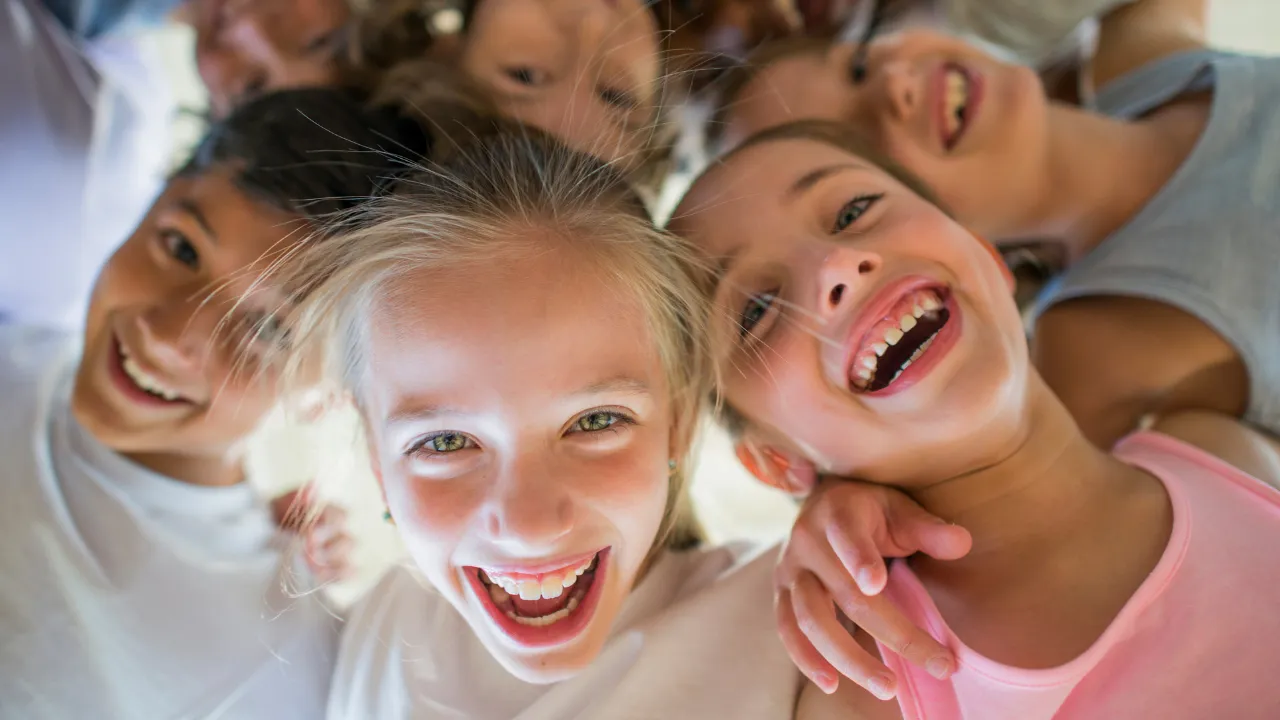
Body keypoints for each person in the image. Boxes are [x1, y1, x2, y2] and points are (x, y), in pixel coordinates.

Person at [671, 119, 1280, 718]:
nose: (838, 265)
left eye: (854, 209)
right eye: (758, 309)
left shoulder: (1222, 448)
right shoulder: (868, 696)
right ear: (779, 462)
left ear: (985, 250)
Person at [267, 130, 803, 718]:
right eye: (445, 441)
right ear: (377, 460)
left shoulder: (797, 626)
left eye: (596, 421)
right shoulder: (380, 626)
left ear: (677, 424)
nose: (527, 527)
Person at [0, 87, 429, 719]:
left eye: (265, 331)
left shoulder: (281, 660)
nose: (172, 337)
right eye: (180, 248)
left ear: (329, 398)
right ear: (153, 197)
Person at [704, 8, 1280, 450]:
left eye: (858, 67)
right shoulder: (1097, 348)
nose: (895, 87)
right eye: (862, 152)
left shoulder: (1142, 48)